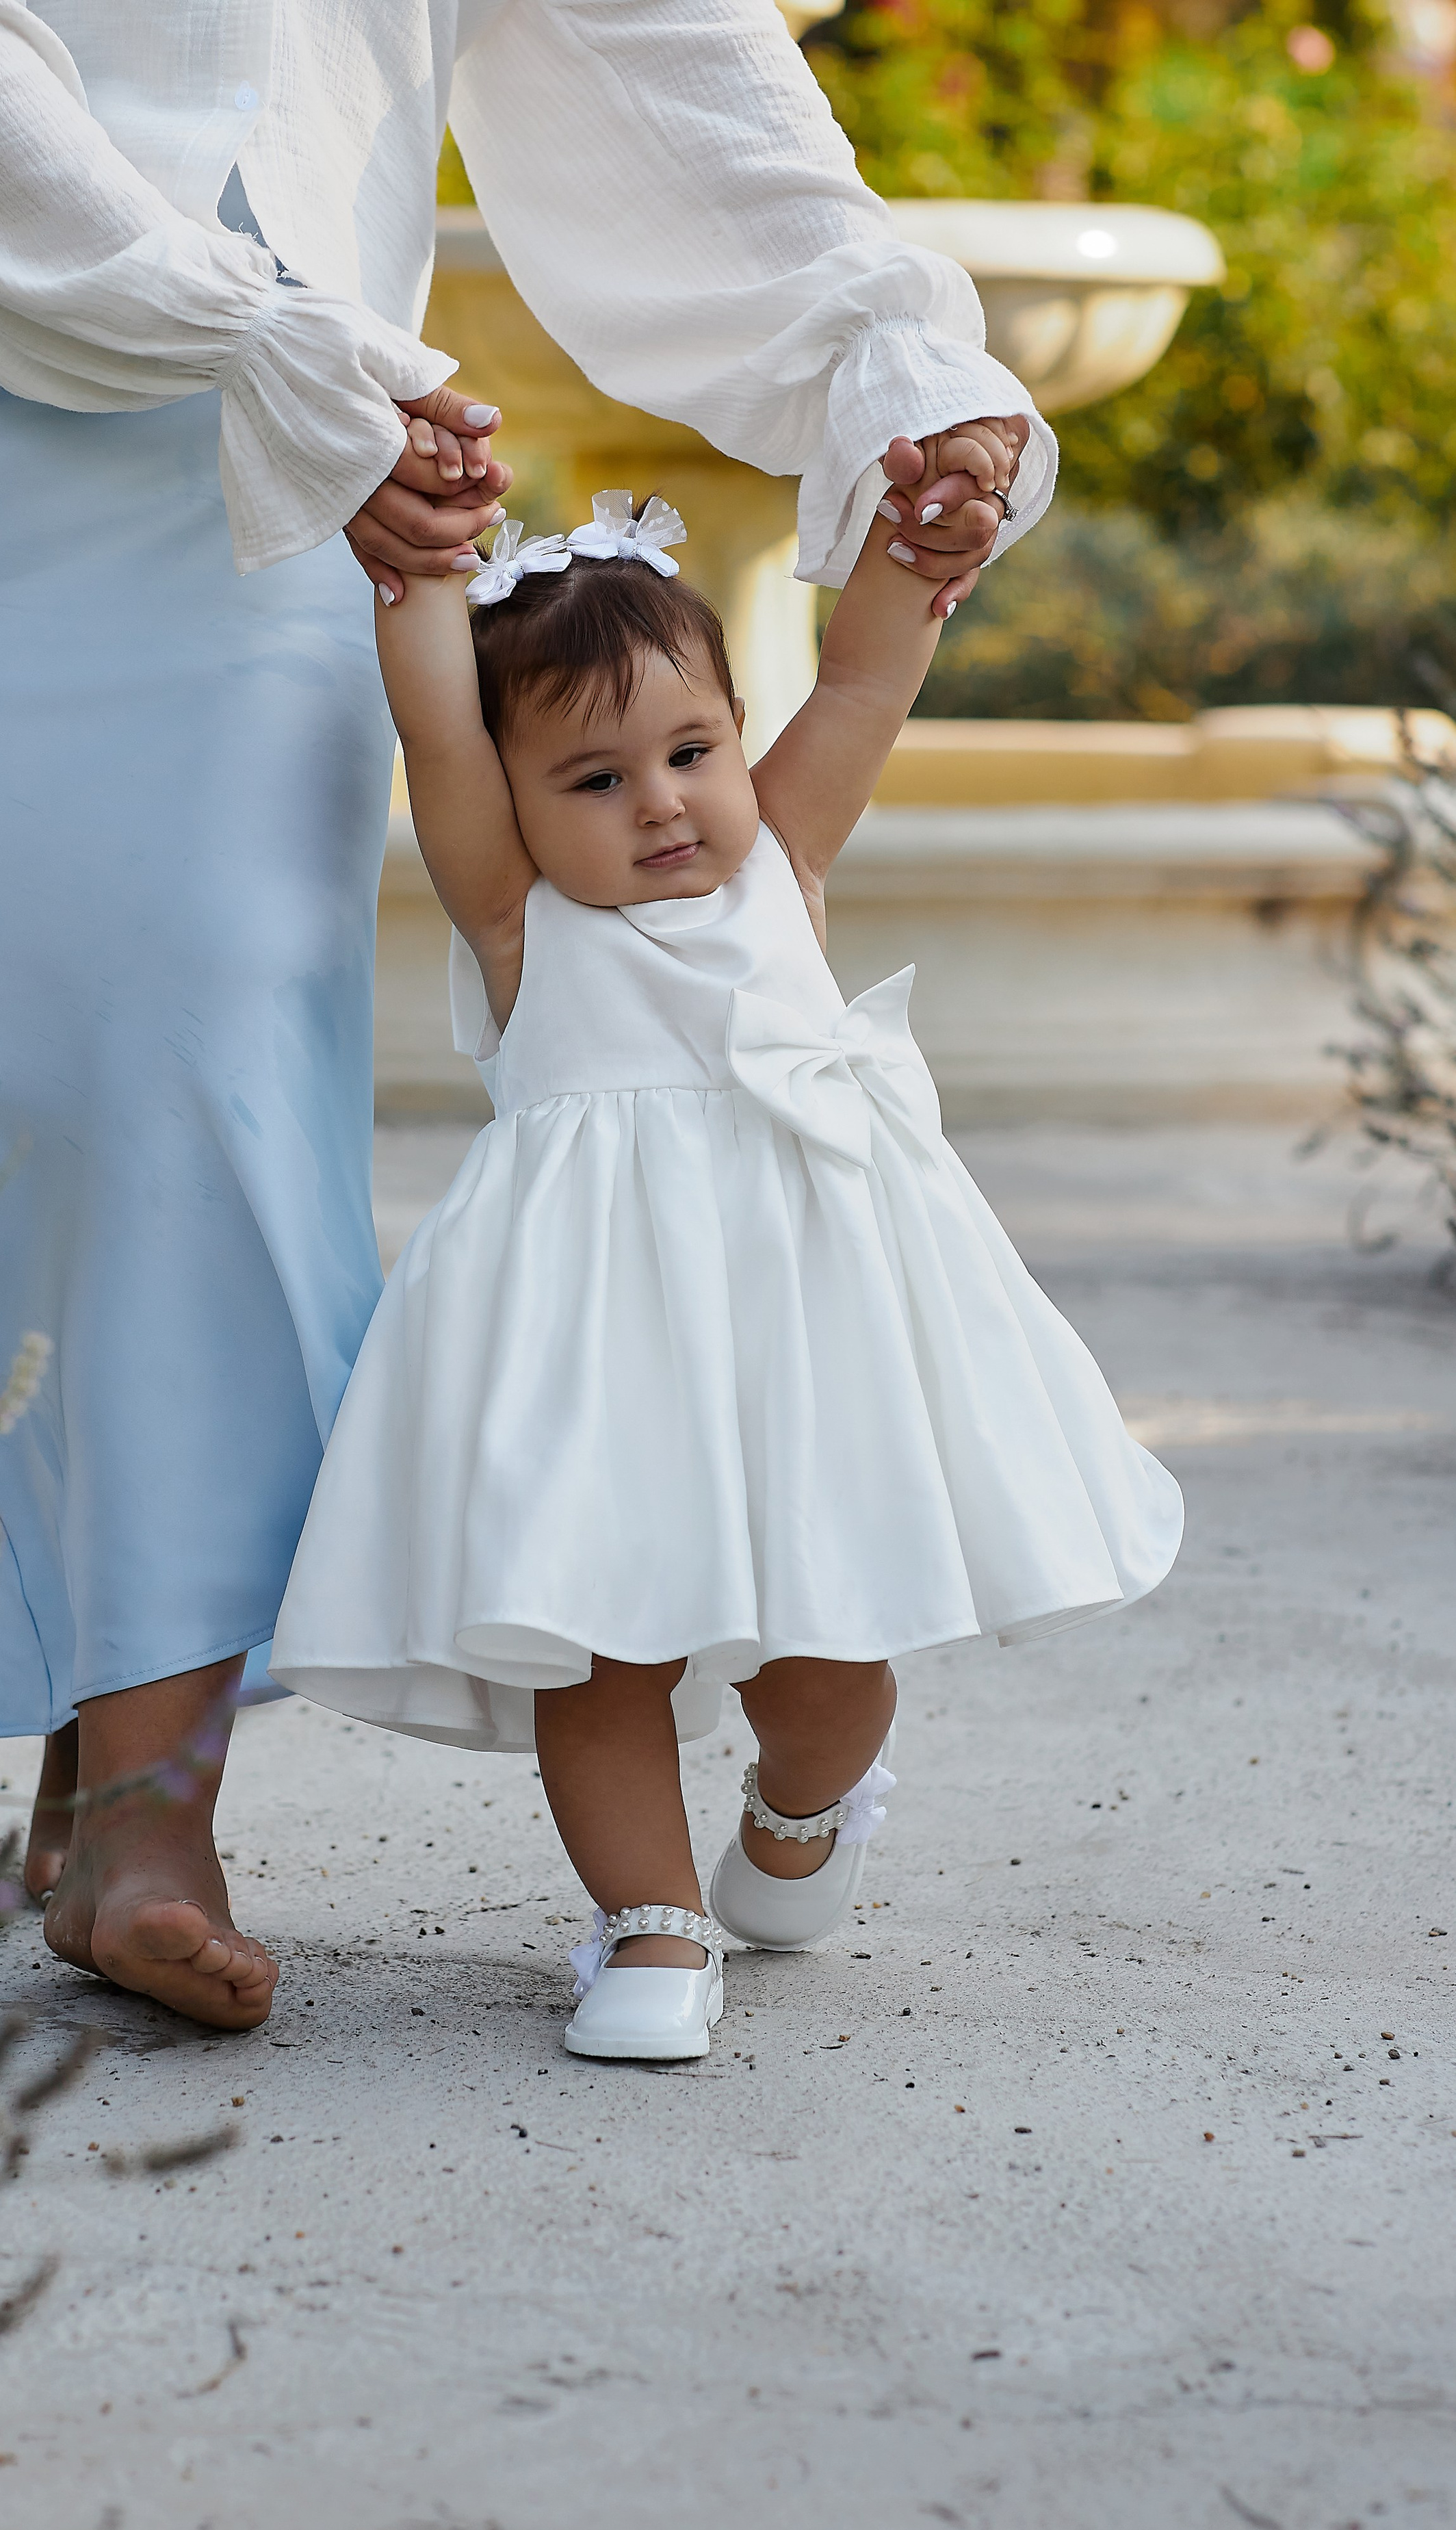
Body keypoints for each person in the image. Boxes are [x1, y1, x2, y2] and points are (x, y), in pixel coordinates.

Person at [0, 0, 1054, 2032]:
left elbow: (647, 40)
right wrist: (220, 322)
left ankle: (149, 1796)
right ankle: (103, 1689)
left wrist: (894, 372)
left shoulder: (730, 862)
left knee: (194, 1044)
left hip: (294, 392)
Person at [270, 476, 1184, 2062]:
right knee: (596, 1646)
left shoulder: (782, 864)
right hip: (593, 1350)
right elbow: (433, 732)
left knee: (829, 1672)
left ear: (735, 737)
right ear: (513, 801)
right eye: (594, 778)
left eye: (690, 753)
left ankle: (803, 1808)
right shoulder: (518, 921)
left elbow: (863, 677)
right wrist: (415, 569)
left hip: (799, 1338)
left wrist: (914, 538)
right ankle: (651, 1923)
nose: (660, 804)